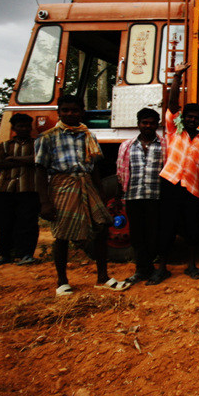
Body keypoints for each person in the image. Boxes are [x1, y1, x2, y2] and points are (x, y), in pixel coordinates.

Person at [35, 95, 130, 296]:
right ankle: (62, 281)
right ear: (58, 112)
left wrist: (101, 193)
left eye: (75, 110)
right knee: (62, 234)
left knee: (102, 226)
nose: (71, 114)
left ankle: (102, 278)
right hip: (63, 184)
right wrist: (44, 202)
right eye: (66, 110)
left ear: (82, 112)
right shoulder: (47, 137)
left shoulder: (88, 136)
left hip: (87, 183)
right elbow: (40, 170)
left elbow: (95, 167)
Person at [151, 62, 199, 285]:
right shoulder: (173, 131)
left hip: (192, 188)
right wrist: (176, 77)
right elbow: (172, 103)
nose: (192, 119)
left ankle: (192, 265)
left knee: (192, 227)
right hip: (170, 183)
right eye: (189, 116)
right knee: (166, 225)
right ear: (183, 117)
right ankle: (162, 268)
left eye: (197, 117)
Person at [116, 108, 167, 286]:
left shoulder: (164, 145)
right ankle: (141, 270)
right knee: (137, 235)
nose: (148, 126)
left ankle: (156, 270)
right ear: (138, 124)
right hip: (133, 196)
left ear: (157, 125)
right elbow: (120, 172)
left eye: (152, 123)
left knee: (154, 234)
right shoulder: (127, 146)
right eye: (144, 122)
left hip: (156, 197)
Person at [0, 113, 39, 266]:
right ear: (13, 128)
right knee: (4, 223)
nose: (24, 129)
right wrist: (25, 161)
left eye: (27, 126)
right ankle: (5, 255)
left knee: (28, 223)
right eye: (20, 126)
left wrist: (13, 159)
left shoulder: (37, 144)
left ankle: (26, 254)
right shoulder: (4, 145)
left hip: (29, 189)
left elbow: (38, 159)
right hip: (5, 189)